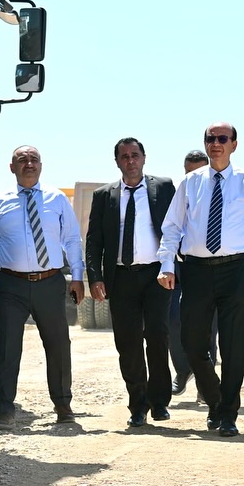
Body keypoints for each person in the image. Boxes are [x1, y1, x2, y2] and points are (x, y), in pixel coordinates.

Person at [157, 122, 244, 438]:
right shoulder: (189, 183)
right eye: (210, 138)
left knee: (234, 345)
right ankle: (216, 400)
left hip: (236, 270)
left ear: (234, 144)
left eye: (222, 138)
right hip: (194, 270)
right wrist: (166, 264)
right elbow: (172, 228)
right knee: (192, 342)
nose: (216, 143)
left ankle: (227, 415)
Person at [0, 145, 86, 430]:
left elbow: (72, 240)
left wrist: (77, 276)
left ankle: (63, 406)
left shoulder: (57, 200)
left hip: (50, 282)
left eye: (33, 159)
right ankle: (4, 412)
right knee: (8, 348)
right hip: (10, 285)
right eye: (22, 160)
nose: (28, 164)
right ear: (11, 167)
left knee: (59, 345)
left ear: (41, 165)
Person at [85, 137, 176, 427]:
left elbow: (176, 229)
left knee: (158, 336)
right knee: (128, 342)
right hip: (120, 277)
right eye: (124, 156)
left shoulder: (163, 187)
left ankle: (159, 400)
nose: (130, 161)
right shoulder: (104, 195)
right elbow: (94, 240)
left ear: (144, 158)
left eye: (134, 155)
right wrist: (95, 277)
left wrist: (172, 266)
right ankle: (137, 404)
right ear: (117, 162)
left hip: (156, 276)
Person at [169, 149, 211, 395]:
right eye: (189, 171)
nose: (194, 176)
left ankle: (206, 386)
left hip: (207, 270)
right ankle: (183, 370)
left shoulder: (218, 196)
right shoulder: (179, 194)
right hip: (178, 269)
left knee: (209, 328)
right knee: (174, 322)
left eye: (199, 171)